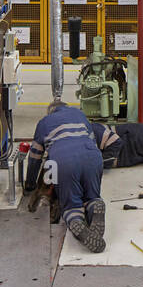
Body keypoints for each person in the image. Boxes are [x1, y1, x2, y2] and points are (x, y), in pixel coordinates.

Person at [23, 101, 106, 252]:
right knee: (91, 196)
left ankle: (76, 220)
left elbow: (35, 157)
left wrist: (30, 184)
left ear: (50, 111)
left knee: (71, 204)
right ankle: (95, 205)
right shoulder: (80, 114)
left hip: (64, 160)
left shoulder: (44, 122)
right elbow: (93, 140)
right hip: (93, 156)